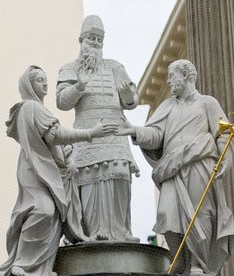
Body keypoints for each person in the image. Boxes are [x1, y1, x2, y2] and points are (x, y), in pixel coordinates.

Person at [116, 59, 234, 275]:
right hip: (172, 169)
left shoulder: (207, 103)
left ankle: (199, 264)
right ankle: (179, 257)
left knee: (202, 214)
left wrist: (226, 157)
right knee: (167, 214)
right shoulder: (167, 106)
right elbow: (156, 136)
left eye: (172, 75)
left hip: (200, 164)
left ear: (187, 76)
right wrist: (135, 131)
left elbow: (223, 133)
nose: (169, 81)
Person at [0, 66, 118, 276]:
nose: (45, 83)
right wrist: (92, 132)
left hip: (50, 171)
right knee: (42, 210)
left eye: (46, 79)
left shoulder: (42, 111)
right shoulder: (29, 108)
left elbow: (63, 146)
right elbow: (55, 135)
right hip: (35, 169)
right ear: (28, 85)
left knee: (53, 215)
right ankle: (24, 263)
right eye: (39, 80)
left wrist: (70, 159)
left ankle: (40, 269)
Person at [56, 15, 140, 242]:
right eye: (90, 38)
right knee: (89, 181)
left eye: (98, 39)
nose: (94, 43)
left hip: (116, 131)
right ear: (81, 40)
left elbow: (133, 100)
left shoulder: (115, 67)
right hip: (88, 134)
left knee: (120, 175)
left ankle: (121, 232)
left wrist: (127, 95)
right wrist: (80, 84)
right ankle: (95, 233)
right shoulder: (70, 68)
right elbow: (62, 102)